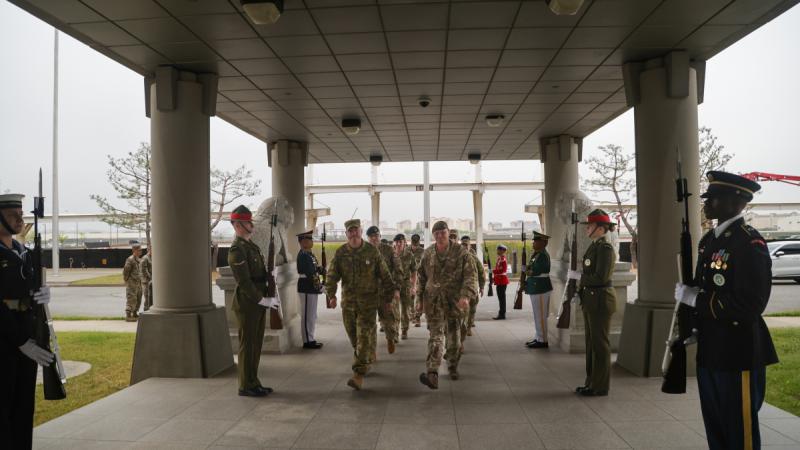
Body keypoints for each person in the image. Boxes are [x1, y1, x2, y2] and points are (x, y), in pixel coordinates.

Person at [675, 171, 778, 449]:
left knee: (739, 427)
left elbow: (751, 304)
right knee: (716, 422)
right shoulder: (710, 241)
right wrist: (693, 322)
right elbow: (704, 286)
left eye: (713, 198)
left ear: (736, 202)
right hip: (712, 347)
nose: (706, 203)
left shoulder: (748, 242)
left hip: (737, 350)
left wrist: (697, 300)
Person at [0, 193, 55, 448]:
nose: (20, 219)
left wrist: (41, 294)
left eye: (21, 214)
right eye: (13, 214)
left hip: (27, 337)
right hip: (5, 341)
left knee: (23, 408)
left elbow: (27, 290)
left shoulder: (22, 250)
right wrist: (20, 341)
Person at [326, 219, 398, 390]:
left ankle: (358, 373)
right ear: (346, 234)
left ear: (360, 231)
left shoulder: (372, 251)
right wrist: (331, 294)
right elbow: (332, 275)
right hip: (348, 304)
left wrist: (389, 298)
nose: (353, 233)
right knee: (354, 337)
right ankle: (367, 353)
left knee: (363, 337)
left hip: (368, 304)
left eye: (356, 230)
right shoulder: (341, 252)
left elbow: (385, 275)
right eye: (350, 231)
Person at [417, 221, 477, 388]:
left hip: (455, 303)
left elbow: (470, 276)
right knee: (435, 338)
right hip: (434, 303)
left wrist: (465, 296)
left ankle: (452, 365)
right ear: (433, 235)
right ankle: (432, 372)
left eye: (442, 232)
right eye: (436, 233)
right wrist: (418, 301)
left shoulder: (461, 253)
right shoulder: (428, 253)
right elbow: (421, 278)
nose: (439, 236)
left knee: (454, 341)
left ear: (448, 232)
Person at [568, 209, 617, 396]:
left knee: (600, 345)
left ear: (600, 228)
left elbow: (601, 277)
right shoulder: (594, 246)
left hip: (601, 301)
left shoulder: (605, 248)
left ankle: (600, 386)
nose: (587, 228)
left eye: (590, 225)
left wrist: (580, 277)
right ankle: (591, 382)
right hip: (591, 300)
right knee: (591, 344)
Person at [227, 205, 272, 397]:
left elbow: (259, 273)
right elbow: (244, 281)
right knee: (248, 344)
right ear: (238, 225)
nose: (250, 225)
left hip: (258, 301)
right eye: (247, 222)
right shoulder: (237, 249)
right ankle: (245, 385)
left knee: (256, 343)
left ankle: (254, 381)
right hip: (248, 303)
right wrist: (261, 299)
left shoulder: (251, 246)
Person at [366, 226, 404, 354]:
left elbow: (398, 270)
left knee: (389, 321)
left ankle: (390, 339)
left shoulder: (388, 250)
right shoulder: (364, 251)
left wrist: (397, 289)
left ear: (380, 237)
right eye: (371, 236)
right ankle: (371, 351)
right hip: (369, 294)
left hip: (386, 293)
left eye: (376, 236)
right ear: (368, 238)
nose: (374, 238)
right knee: (369, 324)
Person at [296, 230, 323, 349]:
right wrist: (320, 286)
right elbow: (310, 273)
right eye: (309, 239)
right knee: (307, 316)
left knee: (312, 315)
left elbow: (314, 269)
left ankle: (310, 338)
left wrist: (320, 269)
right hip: (307, 287)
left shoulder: (309, 254)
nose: (312, 241)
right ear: (303, 242)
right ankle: (307, 341)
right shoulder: (303, 255)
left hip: (311, 287)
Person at [525, 232, 553, 349]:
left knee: (541, 315)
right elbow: (530, 268)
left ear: (543, 243)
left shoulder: (542, 255)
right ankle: (538, 337)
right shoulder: (537, 254)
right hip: (536, 286)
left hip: (540, 287)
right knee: (538, 314)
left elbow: (537, 270)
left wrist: (529, 271)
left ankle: (542, 340)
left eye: (535, 241)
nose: (533, 243)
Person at [393, 234, 417, 340]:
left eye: (400, 242)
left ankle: (404, 330)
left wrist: (413, 286)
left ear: (404, 243)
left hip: (406, 284)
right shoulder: (391, 254)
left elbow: (414, 271)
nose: (398, 244)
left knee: (405, 309)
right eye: (397, 242)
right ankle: (394, 332)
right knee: (394, 310)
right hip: (393, 285)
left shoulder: (409, 255)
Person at [459, 235, 485, 337]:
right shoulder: (456, 258)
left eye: (466, 245)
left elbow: (481, 272)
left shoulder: (474, 258)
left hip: (473, 289)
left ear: (470, 246)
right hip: (461, 290)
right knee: (464, 311)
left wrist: (482, 287)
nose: (464, 247)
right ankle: (463, 333)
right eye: (463, 244)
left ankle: (469, 327)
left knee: (472, 310)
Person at [122, 242, 143, 322]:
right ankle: (128, 315)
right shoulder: (130, 259)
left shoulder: (139, 259)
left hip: (138, 283)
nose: (141, 251)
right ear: (134, 250)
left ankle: (134, 313)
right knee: (131, 299)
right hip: (132, 283)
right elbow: (126, 271)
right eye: (139, 250)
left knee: (138, 298)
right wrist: (127, 280)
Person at [410, 234, 425, 327]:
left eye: (416, 241)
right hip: (408, 279)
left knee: (419, 298)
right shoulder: (406, 250)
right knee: (410, 298)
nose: (415, 243)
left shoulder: (423, 251)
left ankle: (417, 318)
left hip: (419, 278)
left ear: (419, 241)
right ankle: (411, 315)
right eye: (413, 241)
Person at [492, 244, 510, 320]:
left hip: (502, 280)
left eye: (499, 249)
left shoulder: (503, 259)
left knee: (502, 298)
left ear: (503, 251)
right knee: (501, 298)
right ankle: (501, 313)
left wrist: (492, 271)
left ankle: (502, 314)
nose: (498, 251)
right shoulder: (500, 258)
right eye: (498, 249)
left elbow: (502, 270)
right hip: (499, 280)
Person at [140, 246, 153, 311]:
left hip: (151, 281)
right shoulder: (145, 258)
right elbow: (144, 270)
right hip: (146, 281)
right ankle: (146, 311)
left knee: (151, 298)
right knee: (147, 298)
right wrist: (150, 277)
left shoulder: (153, 258)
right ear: (149, 250)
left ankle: (150, 311)